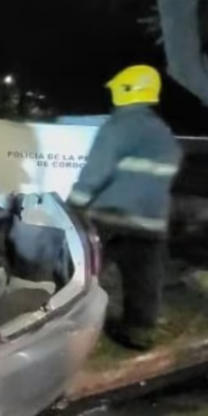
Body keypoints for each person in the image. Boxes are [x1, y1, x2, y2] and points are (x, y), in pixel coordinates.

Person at [68, 64, 182, 351]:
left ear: (127, 90)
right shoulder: (162, 130)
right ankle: (140, 331)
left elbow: (97, 170)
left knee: (82, 273)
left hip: (112, 217)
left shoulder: (119, 126)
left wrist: (74, 204)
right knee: (144, 279)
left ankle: (70, 329)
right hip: (151, 221)